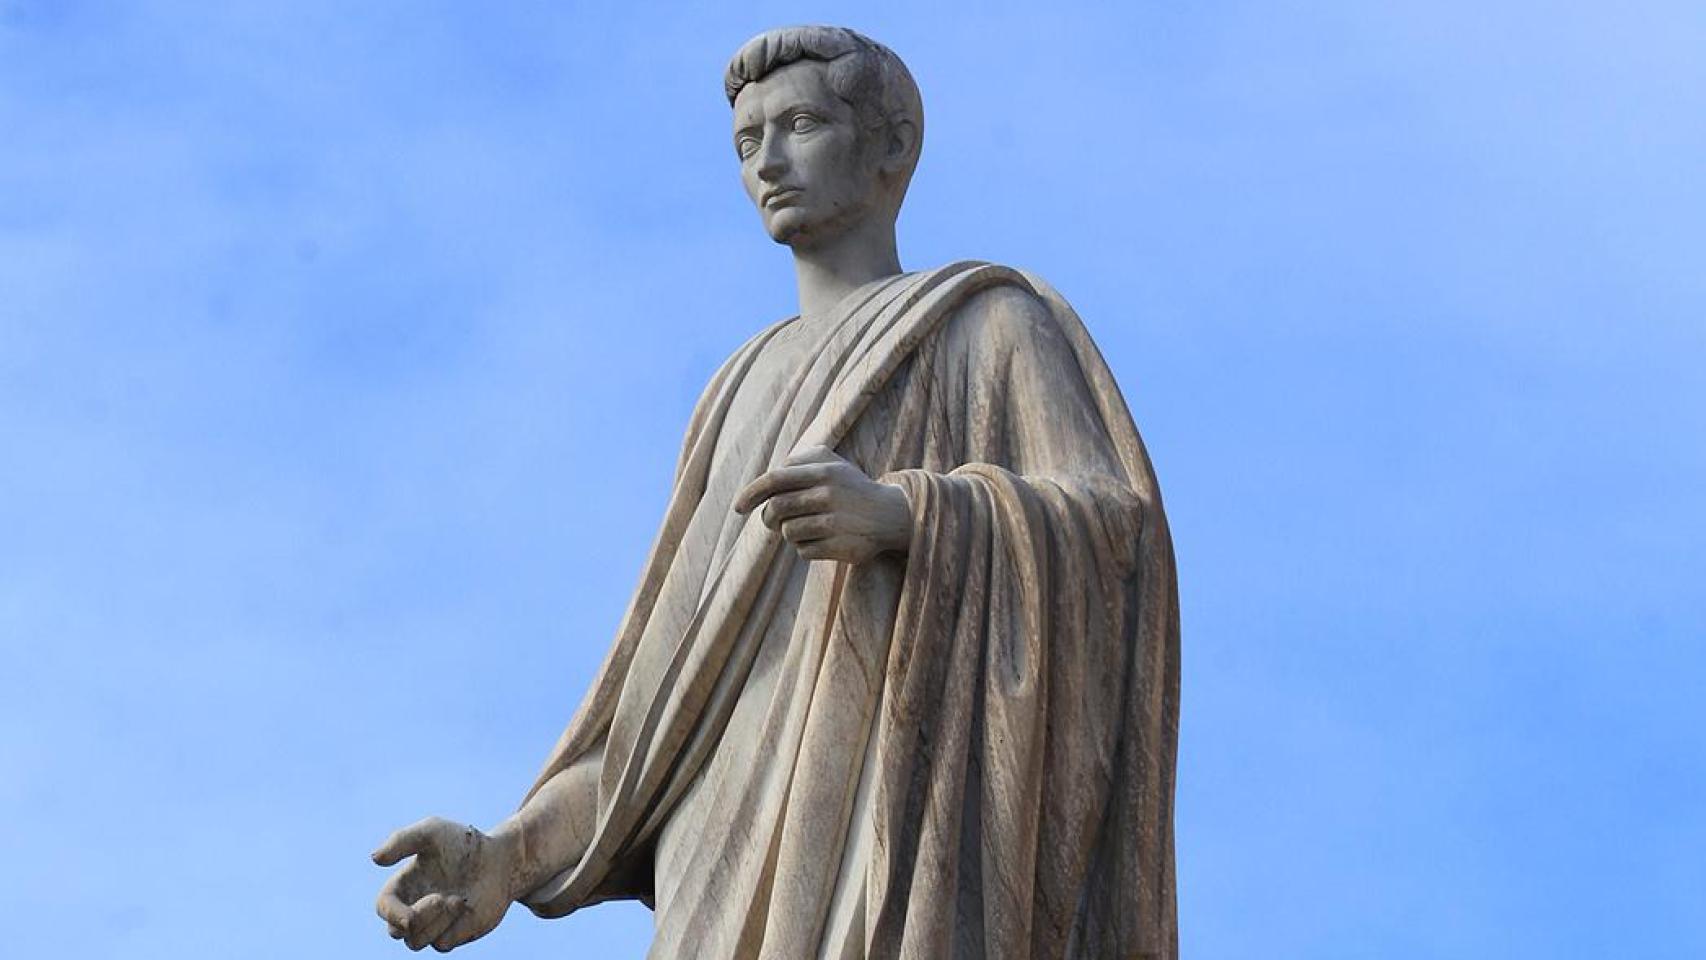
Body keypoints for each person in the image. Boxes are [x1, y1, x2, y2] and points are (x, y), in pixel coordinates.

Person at [373, 25, 1179, 959]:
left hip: (901, 839)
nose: (770, 162)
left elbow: (1114, 536)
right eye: (748, 142)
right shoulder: (735, 391)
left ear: (892, 142)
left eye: (800, 124)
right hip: (718, 867)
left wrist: (907, 515)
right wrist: (508, 857)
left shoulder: (990, 326)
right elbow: (664, 699)